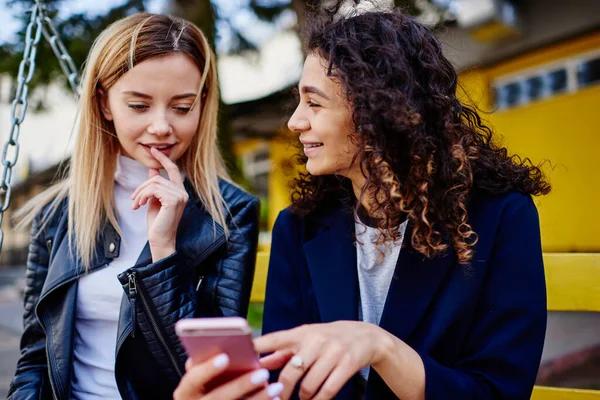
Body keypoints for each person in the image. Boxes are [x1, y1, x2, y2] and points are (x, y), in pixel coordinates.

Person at [174, 2, 550, 400]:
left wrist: (379, 347)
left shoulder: (501, 217)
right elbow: (285, 379)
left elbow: (499, 391)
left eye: (314, 103)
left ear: (379, 113)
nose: (294, 122)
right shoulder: (299, 227)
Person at [8, 12, 259, 400]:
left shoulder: (229, 214)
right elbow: (35, 359)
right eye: (139, 106)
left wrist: (163, 255)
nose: (161, 126)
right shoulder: (58, 214)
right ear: (104, 104)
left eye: (181, 107)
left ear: (202, 105)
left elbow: (216, 374)